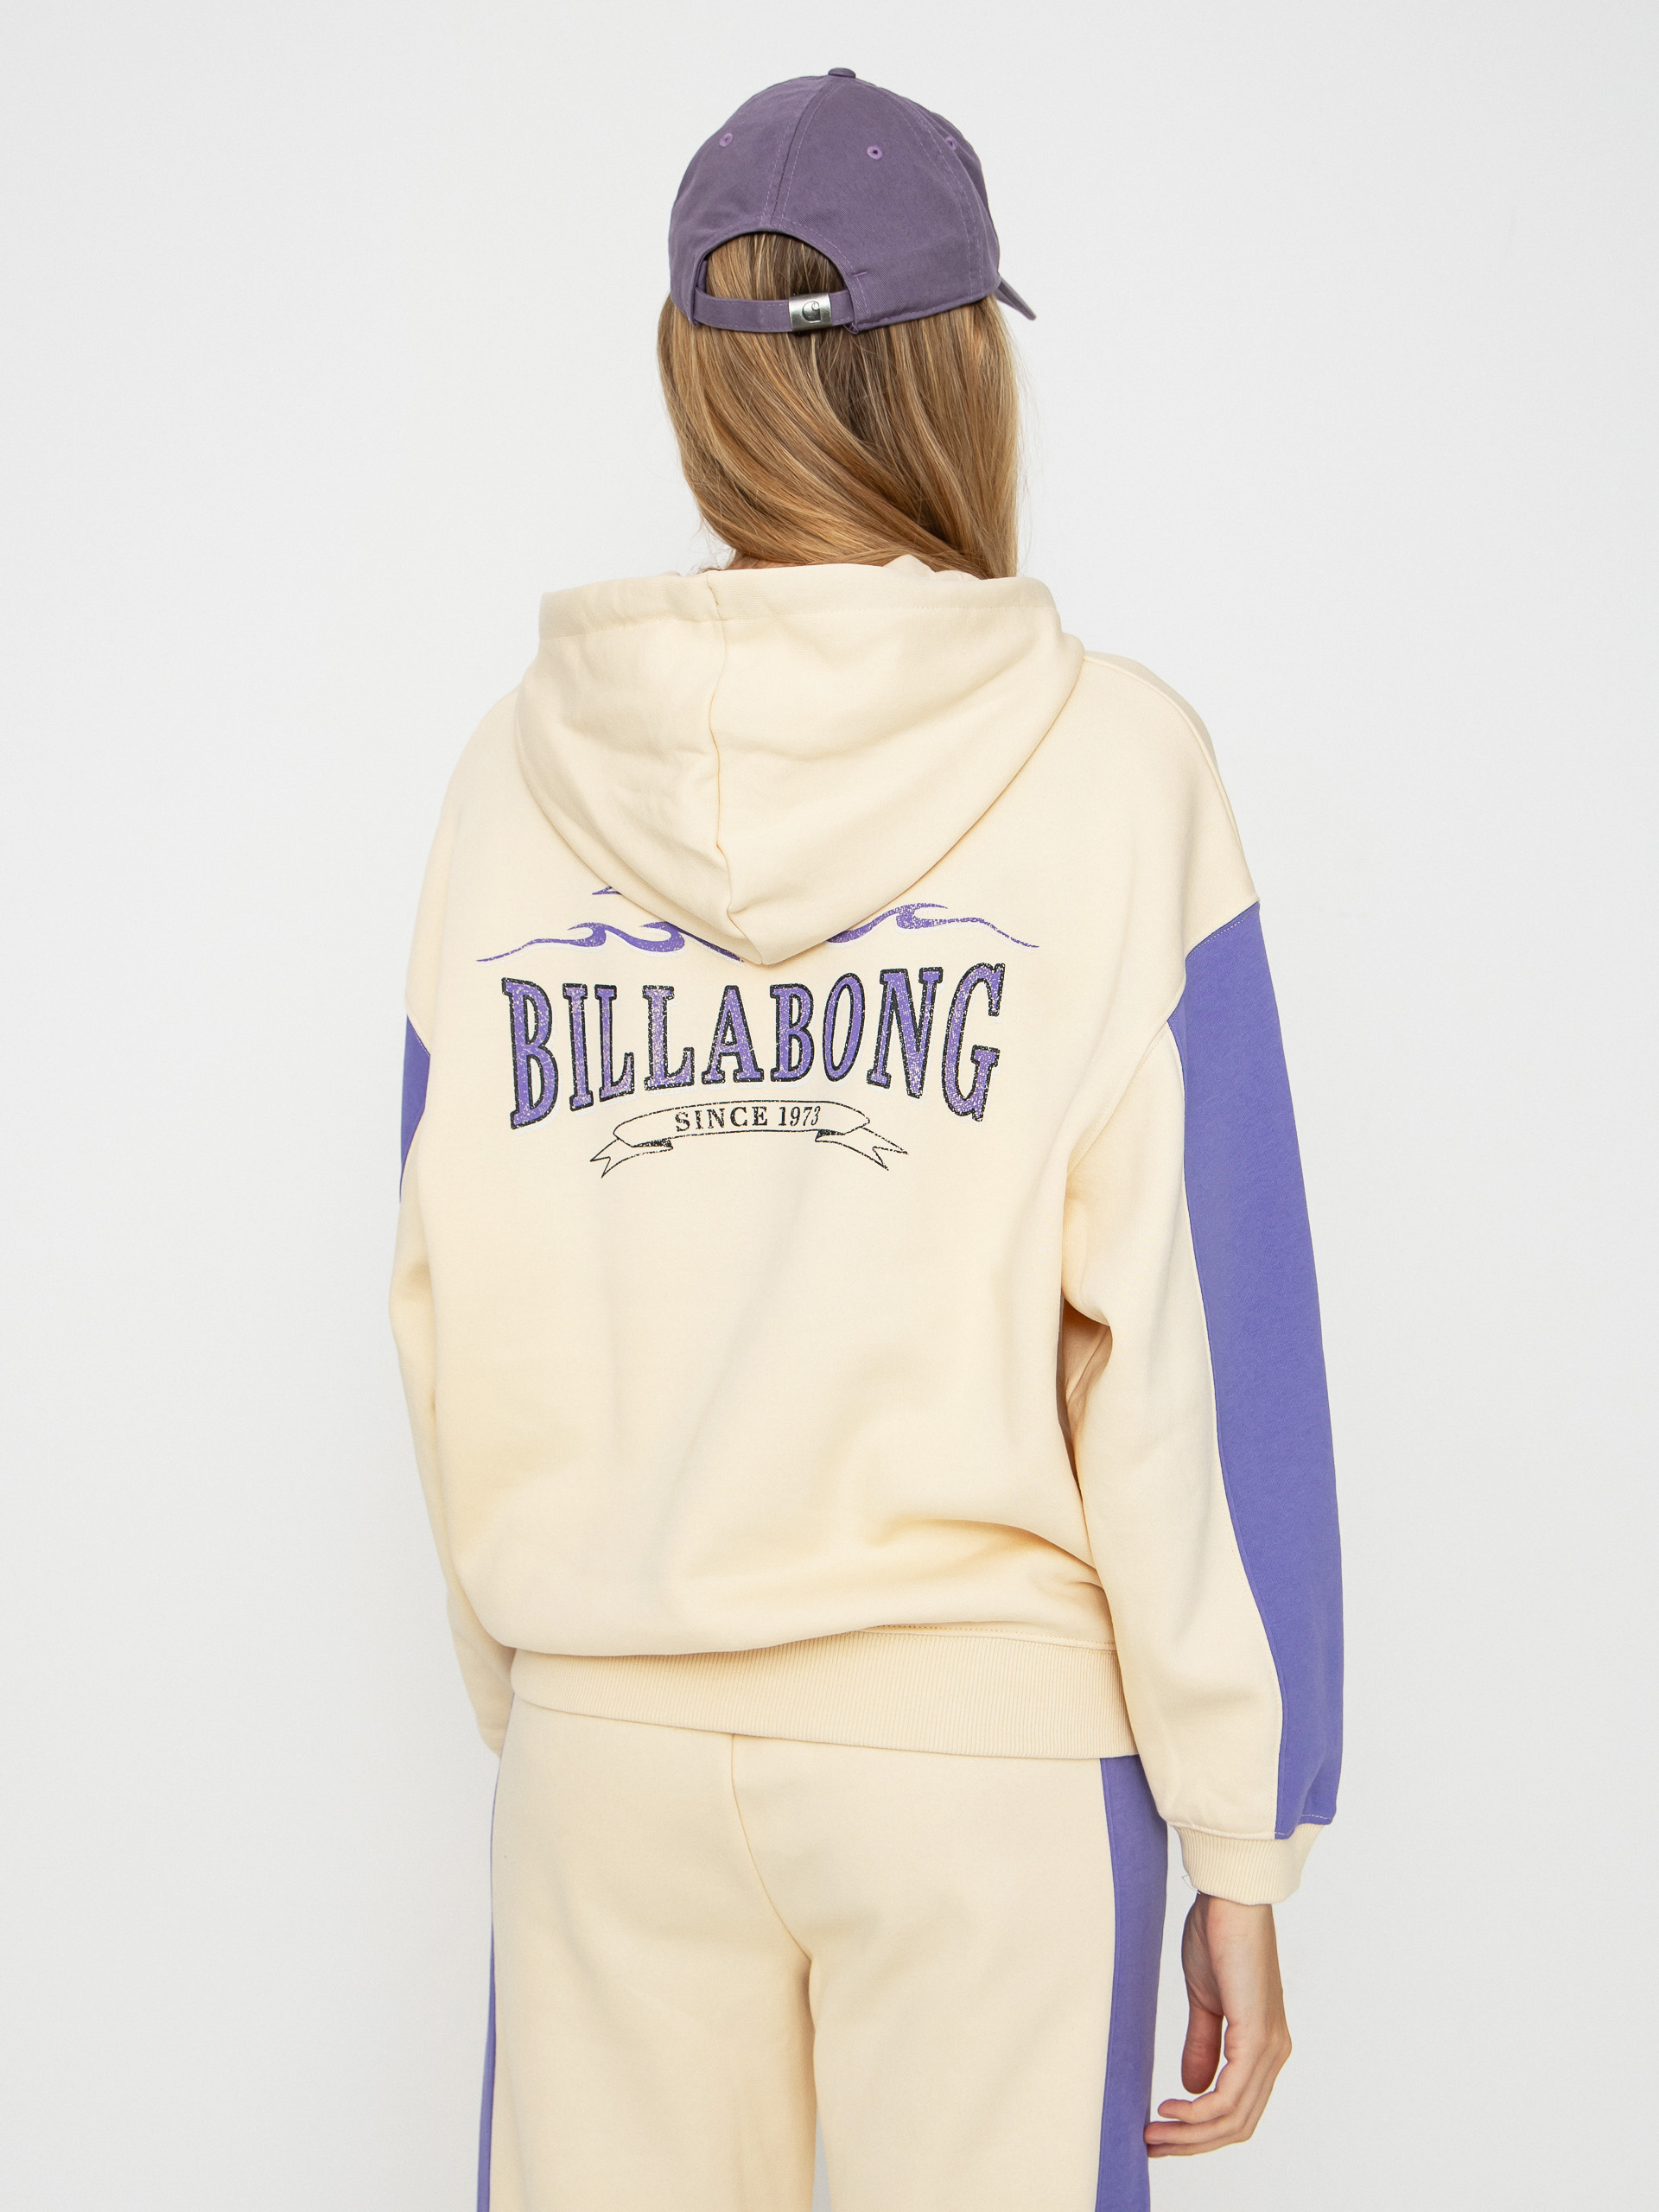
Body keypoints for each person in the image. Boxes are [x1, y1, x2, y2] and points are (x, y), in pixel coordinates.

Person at [391, 66, 1342, 2212]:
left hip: (609, 1745)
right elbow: (1197, 1344)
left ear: (693, 372)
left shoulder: (507, 779)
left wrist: (561, 1679)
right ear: (962, 365)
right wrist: (1243, 1827)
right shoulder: (1116, 767)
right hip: (980, 1768)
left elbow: (440, 1291)